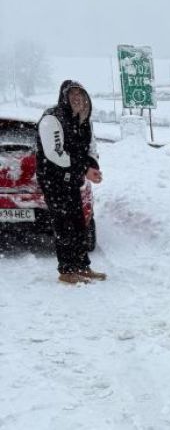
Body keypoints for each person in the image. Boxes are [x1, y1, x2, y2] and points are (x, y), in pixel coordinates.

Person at [36, 80, 104, 284]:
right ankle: (66, 270)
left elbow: (90, 147)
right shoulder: (52, 119)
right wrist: (84, 169)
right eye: (72, 94)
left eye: (81, 94)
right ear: (64, 97)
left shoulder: (83, 119)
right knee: (63, 224)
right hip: (53, 180)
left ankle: (82, 266)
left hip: (72, 178)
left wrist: (92, 166)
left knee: (78, 222)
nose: (77, 98)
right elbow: (56, 154)